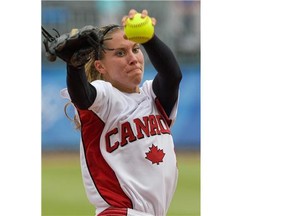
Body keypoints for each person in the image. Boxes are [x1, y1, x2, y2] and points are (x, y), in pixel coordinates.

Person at [60, 9, 182, 216]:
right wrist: (75, 67)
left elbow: (172, 75)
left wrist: (149, 38)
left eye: (135, 49)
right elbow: (84, 96)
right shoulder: (105, 98)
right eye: (120, 53)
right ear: (101, 66)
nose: (133, 58)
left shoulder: (153, 98)